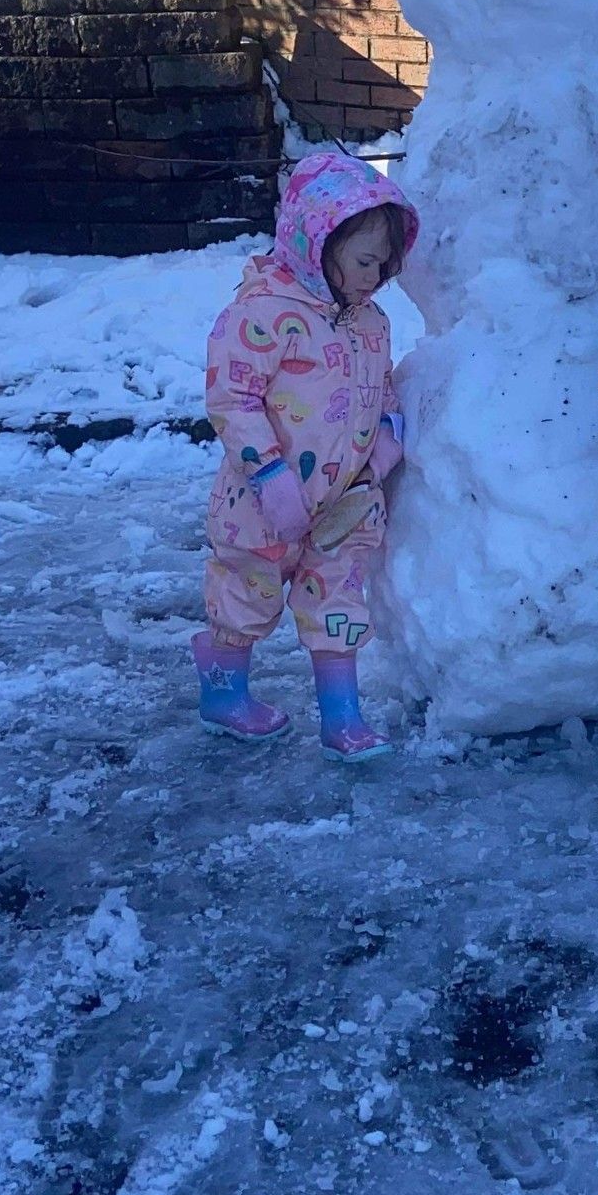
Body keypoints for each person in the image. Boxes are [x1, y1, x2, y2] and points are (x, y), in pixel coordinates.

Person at [194, 148, 416, 760]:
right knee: (248, 595)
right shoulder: (262, 314)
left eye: (385, 265)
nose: (375, 276)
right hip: (263, 503)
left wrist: (387, 442)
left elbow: (382, 389)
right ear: (318, 242)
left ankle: (343, 716)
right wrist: (269, 475)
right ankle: (223, 689)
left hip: (345, 503)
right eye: (364, 260)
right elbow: (231, 398)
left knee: (338, 601)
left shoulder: (371, 323)